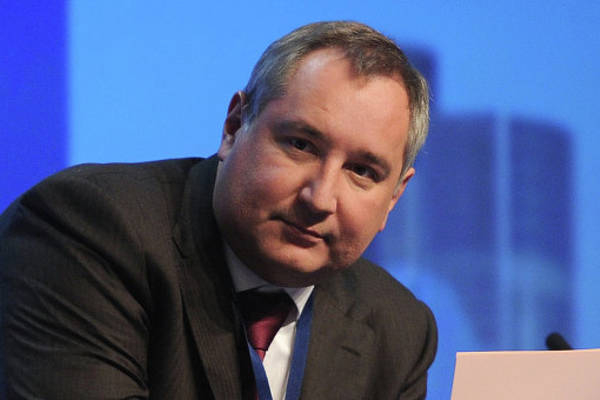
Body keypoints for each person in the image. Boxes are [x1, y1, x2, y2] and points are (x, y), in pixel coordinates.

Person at [0, 21, 437, 399]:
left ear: (394, 198)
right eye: (301, 145)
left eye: (361, 171)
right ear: (234, 127)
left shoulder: (398, 329)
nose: (319, 199)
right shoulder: (89, 232)